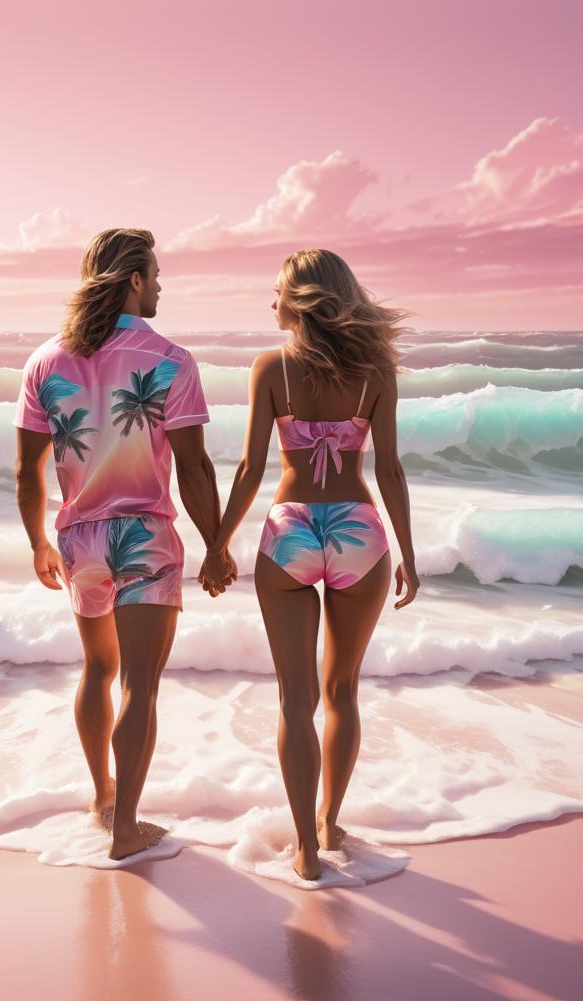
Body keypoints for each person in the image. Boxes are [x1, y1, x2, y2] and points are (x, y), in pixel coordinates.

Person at [14, 229, 236, 860]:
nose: (162, 283)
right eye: (156, 273)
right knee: (140, 682)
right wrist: (217, 545)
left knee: (98, 669)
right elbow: (194, 468)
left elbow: (27, 470)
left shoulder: (45, 360)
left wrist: (38, 541)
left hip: (78, 538)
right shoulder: (170, 359)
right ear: (133, 279)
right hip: (144, 534)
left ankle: (102, 799)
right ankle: (126, 830)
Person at [200, 249, 419, 880]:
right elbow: (391, 469)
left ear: (300, 300)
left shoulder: (271, 368)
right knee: (341, 692)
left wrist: (218, 543)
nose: (270, 303)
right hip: (358, 531)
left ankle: (304, 848)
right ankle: (329, 819)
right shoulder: (376, 372)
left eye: (276, 293)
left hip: (291, 530)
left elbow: (249, 468)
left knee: (295, 701)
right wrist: (407, 553)